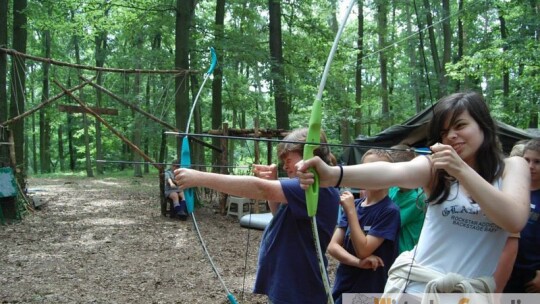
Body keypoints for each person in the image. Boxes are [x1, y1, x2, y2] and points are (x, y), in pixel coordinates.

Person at [296, 91, 530, 298]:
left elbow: (514, 219)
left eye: (460, 126)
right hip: (416, 290)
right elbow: (391, 171)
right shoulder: (436, 169)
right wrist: (332, 175)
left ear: (483, 125)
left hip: (467, 294)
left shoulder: (513, 167)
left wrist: (461, 169)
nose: (451, 136)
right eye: (444, 131)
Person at [174, 128, 340, 303]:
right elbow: (279, 214)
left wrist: (199, 177)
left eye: (288, 159)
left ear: (309, 154)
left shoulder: (318, 188)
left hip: (301, 290)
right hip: (289, 284)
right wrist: (272, 183)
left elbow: (260, 189)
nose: (284, 166)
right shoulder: (306, 189)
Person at [329, 149, 400, 303]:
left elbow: (363, 250)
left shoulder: (389, 211)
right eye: (368, 170)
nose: (372, 175)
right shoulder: (355, 205)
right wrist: (358, 263)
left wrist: (351, 212)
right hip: (344, 284)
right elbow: (333, 247)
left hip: (370, 291)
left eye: (378, 170)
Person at [504, 138, 540, 293]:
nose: (531, 166)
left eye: (537, 162)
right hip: (503, 265)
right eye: (527, 160)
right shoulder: (508, 188)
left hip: (530, 273)